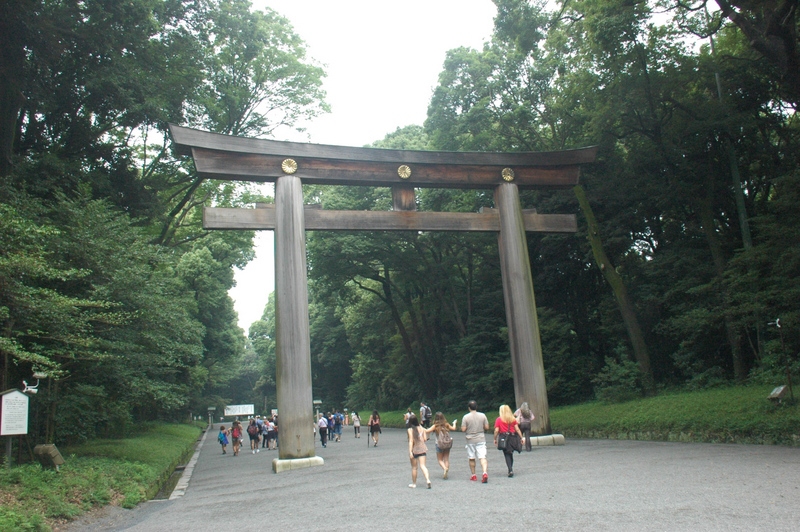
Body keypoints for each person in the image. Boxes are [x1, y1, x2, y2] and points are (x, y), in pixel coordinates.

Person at [461, 400, 490, 483]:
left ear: (469, 408)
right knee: (482, 457)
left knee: (471, 457)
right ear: (476, 407)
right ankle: (484, 472)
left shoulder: (466, 417)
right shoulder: (482, 415)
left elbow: (463, 429)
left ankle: (473, 475)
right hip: (481, 438)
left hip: (470, 439)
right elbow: (487, 427)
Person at [494, 404, 524, 477]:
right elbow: (517, 429)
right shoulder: (512, 419)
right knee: (510, 453)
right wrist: (521, 437)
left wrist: (495, 438)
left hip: (504, 437)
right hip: (513, 437)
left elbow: (496, 430)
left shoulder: (499, 419)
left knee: (507, 453)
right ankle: (510, 469)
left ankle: (510, 470)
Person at [424, 412, 456, 479]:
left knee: (440, 460)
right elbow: (453, 428)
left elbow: (427, 431)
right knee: (446, 459)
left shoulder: (435, 426)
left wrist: (420, 427)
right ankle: (446, 471)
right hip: (447, 443)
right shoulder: (446, 424)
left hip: (439, 444)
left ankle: (445, 469)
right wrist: (454, 423)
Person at [407, 415, 431, 489]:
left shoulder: (410, 430)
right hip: (422, 448)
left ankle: (414, 484)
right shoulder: (421, 428)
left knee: (414, 468)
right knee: (423, 466)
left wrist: (410, 452)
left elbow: (411, 441)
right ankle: (428, 480)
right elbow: (425, 439)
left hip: (415, 449)